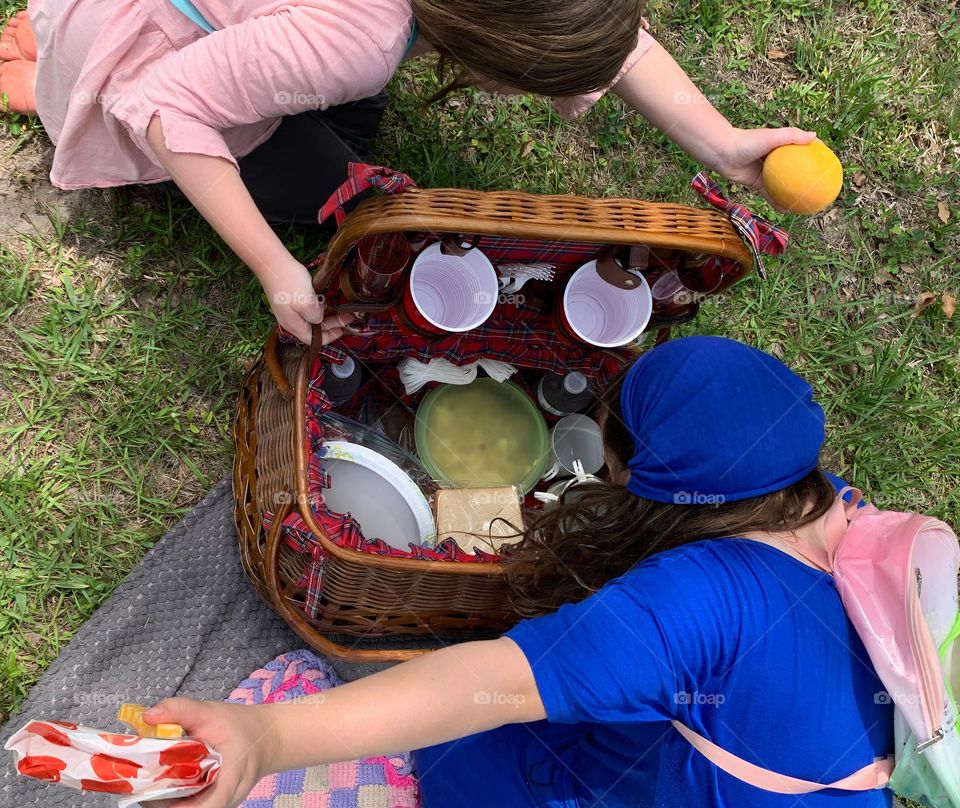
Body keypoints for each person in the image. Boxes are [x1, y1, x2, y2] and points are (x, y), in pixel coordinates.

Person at [144, 336, 894, 808]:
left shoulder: (694, 604)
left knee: (459, 754)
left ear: (638, 473)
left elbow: (485, 686)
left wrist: (265, 739)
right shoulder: (842, 515)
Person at [0, 1, 816, 345]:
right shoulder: (360, 37)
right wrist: (276, 271)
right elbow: (169, 111)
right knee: (347, 192)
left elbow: (597, 25)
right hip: (149, 60)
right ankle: (56, 83)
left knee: (347, 128)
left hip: (231, 20)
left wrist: (720, 143)